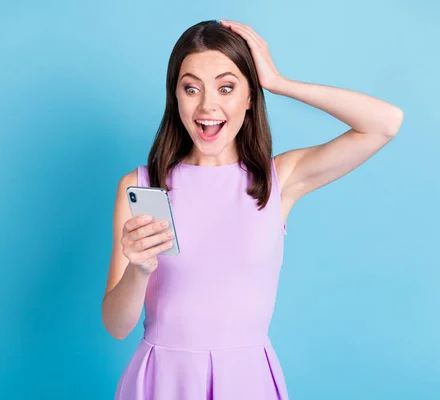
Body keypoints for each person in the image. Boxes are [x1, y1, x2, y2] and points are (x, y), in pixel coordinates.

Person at [102, 19, 404, 400]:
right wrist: (139, 270)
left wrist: (278, 82)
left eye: (226, 87)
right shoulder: (139, 186)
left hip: (246, 382)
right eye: (191, 88)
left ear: (250, 96)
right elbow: (116, 325)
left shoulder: (281, 179)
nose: (207, 105)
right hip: (162, 382)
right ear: (175, 96)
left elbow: (385, 124)